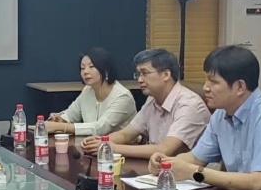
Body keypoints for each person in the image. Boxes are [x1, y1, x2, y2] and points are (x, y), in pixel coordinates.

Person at [149, 46, 261, 190]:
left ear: (240, 87)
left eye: (213, 81)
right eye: (206, 79)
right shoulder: (222, 112)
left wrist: (194, 173)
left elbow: (259, 183)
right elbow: (196, 158)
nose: (205, 87)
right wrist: (164, 163)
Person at [81, 49, 209, 159]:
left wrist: (111, 147)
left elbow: (165, 149)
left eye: (145, 73)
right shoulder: (152, 100)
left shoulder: (189, 105)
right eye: (138, 74)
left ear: (166, 75)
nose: (140, 80)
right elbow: (126, 134)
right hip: (158, 168)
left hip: (193, 175)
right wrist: (99, 141)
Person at [44, 47, 136, 138]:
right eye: (82, 68)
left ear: (106, 70)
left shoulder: (123, 97)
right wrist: (60, 119)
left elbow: (101, 128)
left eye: (91, 67)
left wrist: (60, 127)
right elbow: (70, 115)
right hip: (92, 144)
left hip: (121, 146)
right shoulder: (87, 90)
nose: (85, 72)